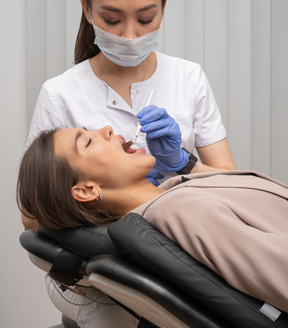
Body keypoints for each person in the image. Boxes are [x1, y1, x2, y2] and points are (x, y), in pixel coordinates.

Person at [22, 0, 236, 328]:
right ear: (87, 10)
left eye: (145, 18)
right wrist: (117, 217)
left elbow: (230, 186)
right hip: (89, 265)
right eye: (113, 18)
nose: (130, 34)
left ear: (163, 10)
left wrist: (183, 166)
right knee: (113, 304)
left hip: (178, 250)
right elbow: (33, 217)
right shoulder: (60, 93)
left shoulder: (188, 79)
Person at [18, 125, 288, 315]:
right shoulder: (180, 211)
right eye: (88, 141)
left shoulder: (174, 192)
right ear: (87, 190)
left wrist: (185, 161)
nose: (107, 129)